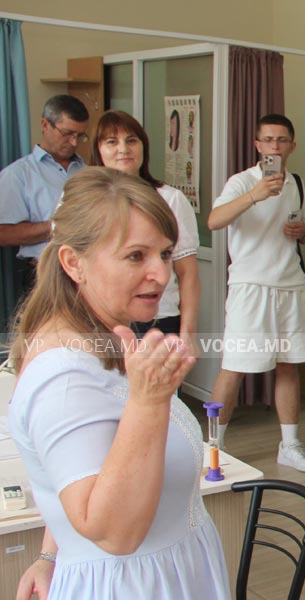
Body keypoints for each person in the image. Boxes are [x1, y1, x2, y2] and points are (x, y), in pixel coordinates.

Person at [9, 167, 229, 600]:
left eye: (165, 254)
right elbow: (114, 532)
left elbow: (77, 471)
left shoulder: (102, 337)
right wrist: (149, 401)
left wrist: (51, 553)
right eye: (135, 256)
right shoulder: (63, 376)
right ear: (74, 263)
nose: (161, 275)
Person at [207, 113, 305, 472]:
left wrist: (303, 232)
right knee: (234, 368)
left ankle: (290, 445)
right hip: (250, 287)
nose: (274, 146)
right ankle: (213, 447)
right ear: (257, 145)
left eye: (281, 140)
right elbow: (214, 220)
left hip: (290, 285)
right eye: (268, 140)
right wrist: (254, 196)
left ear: (292, 145)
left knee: (288, 366)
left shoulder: (297, 183)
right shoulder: (242, 182)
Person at [89, 110, 200, 345]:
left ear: (143, 147)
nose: (123, 149)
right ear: (98, 149)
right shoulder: (80, 199)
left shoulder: (170, 199)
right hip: (95, 317)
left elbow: (187, 273)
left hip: (157, 319)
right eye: (112, 142)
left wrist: (188, 333)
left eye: (131, 140)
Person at [0, 95, 90, 292]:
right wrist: (56, 226)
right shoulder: (18, 175)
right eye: (67, 133)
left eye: (80, 136)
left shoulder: (89, 172)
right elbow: (3, 234)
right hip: (45, 276)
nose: (74, 142)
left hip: (89, 274)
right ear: (44, 125)